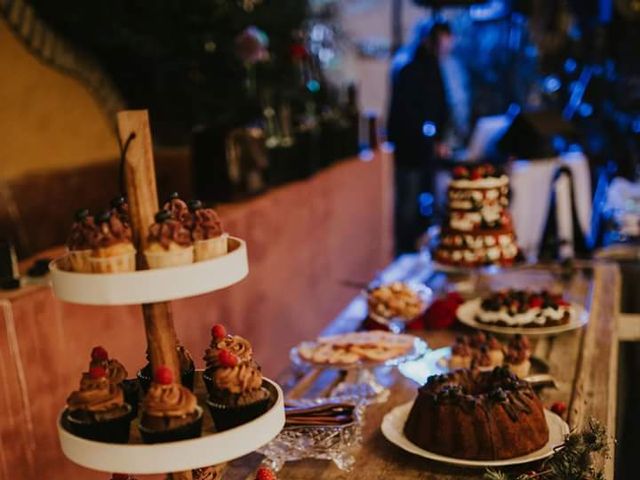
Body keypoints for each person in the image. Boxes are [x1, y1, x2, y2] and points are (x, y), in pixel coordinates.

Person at [387, 19, 454, 252]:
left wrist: (439, 138)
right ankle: (404, 252)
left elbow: (441, 106)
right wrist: (428, 137)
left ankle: (421, 247)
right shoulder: (409, 67)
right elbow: (408, 114)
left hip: (426, 151)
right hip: (409, 151)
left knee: (427, 204)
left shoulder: (433, 66)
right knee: (407, 206)